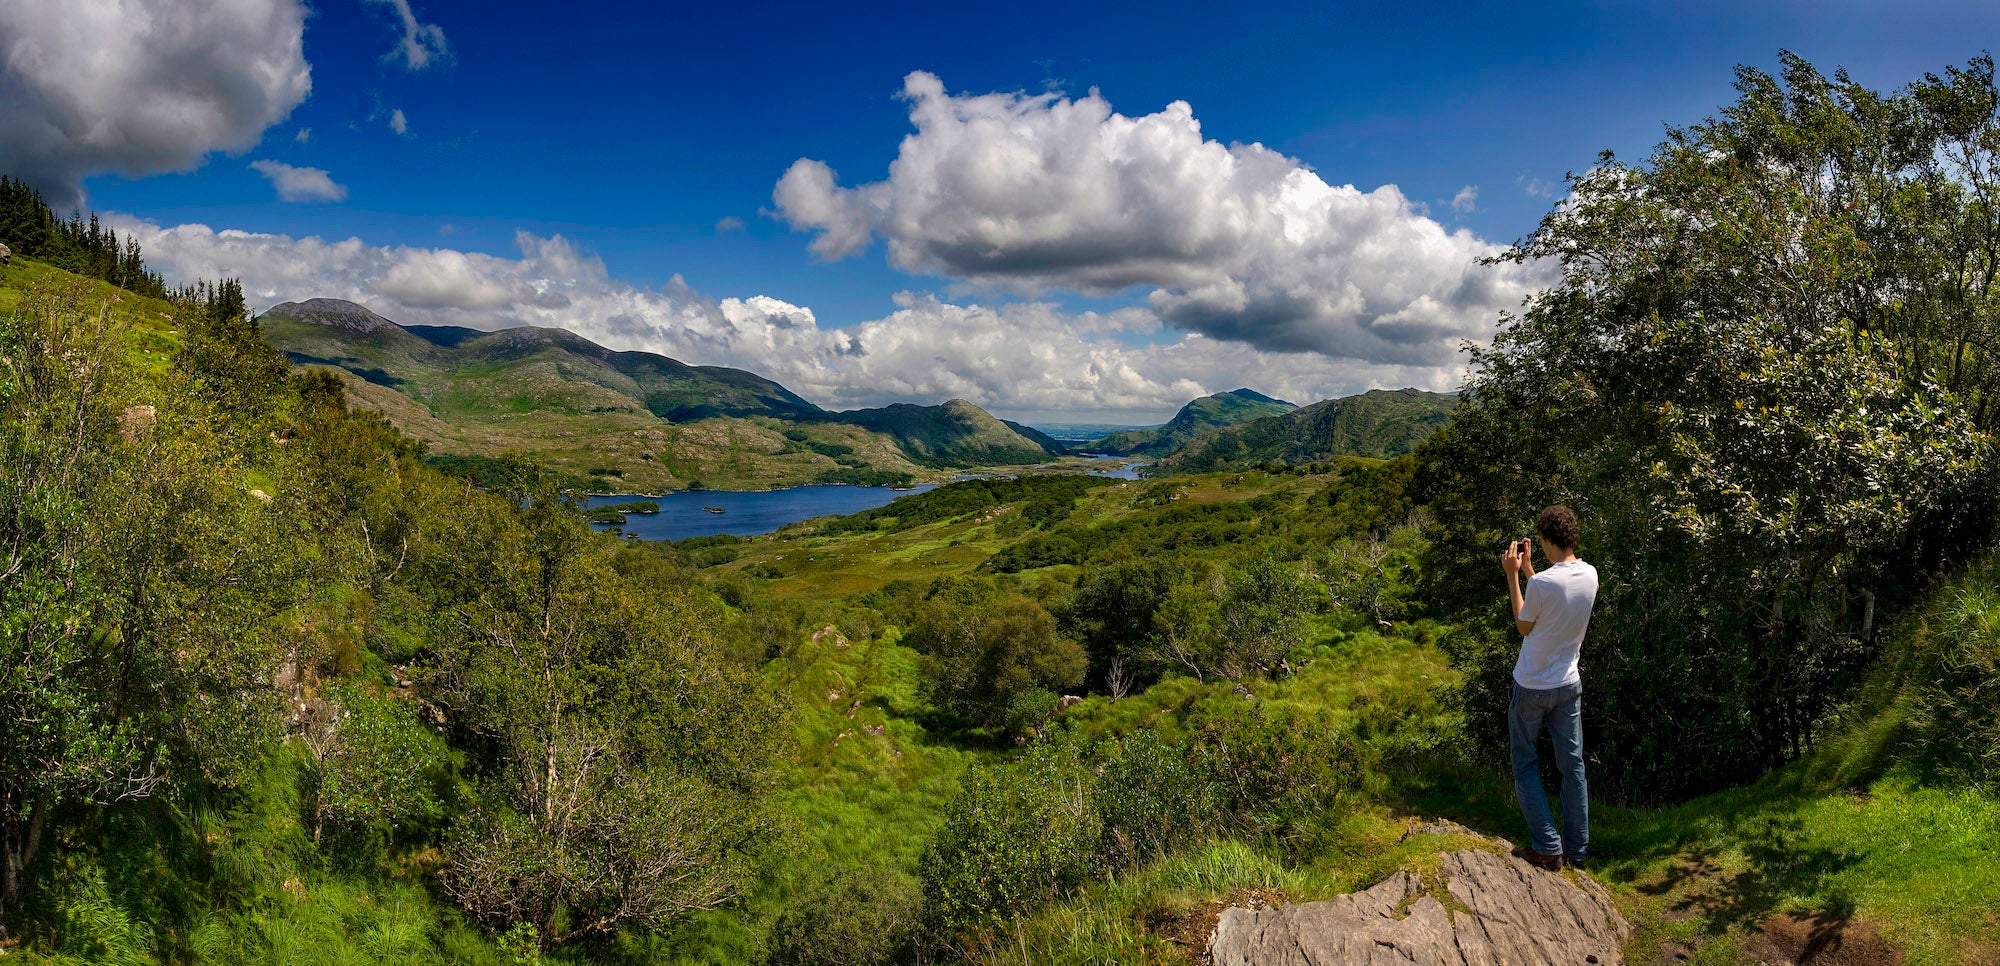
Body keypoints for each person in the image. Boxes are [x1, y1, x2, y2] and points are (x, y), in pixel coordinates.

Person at [1500, 504, 1598, 871]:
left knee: (1525, 763)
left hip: (1532, 686)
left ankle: (1547, 846)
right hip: (1568, 684)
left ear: (1543, 539)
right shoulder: (1590, 574)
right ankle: (1577, 850)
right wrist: (1529, 572)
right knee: (1571, 766)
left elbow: (1525, 625)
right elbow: (1556, 598)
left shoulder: (1541, 584)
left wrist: (1514, 576)